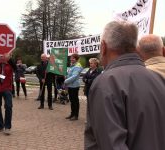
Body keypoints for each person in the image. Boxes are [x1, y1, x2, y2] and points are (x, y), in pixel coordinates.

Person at [84, 21, 165, 150]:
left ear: (103, 47)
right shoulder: (158, 79)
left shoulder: (106, 83)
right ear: (135, 47)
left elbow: (111, 145)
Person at [64, 53, 83, 121]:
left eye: (73, 58)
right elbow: (70, 74)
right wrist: (66, 75)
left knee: (75, 101)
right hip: (70, 85)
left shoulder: (77, 66)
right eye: (71, 58)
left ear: (76, 59)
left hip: (74, 86)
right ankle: (72, 114)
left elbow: (74, 76)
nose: (71, 59)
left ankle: (76, 115)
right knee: (72, 101)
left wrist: (65, 81)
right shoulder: (72, 65)